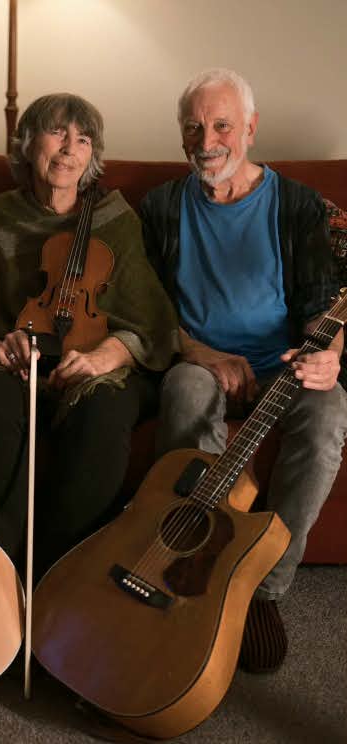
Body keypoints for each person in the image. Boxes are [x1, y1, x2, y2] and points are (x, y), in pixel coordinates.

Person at [139, 68, 347, 672]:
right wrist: (202, 353)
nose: (208, 140)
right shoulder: (159, 209)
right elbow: (143, 307)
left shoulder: (300, 206)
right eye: (194, 127)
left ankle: (262, 590)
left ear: (251, 129)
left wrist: (331, 354)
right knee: (182, 388)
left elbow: (334, 295)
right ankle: (192, 561)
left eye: (222, 124)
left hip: (282, 366)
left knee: (332, 407)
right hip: (199, 363)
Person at [0, 93, 178, 574]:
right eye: (57, 132)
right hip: (15, 364)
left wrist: (104, 357)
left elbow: (150, 324)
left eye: (83, 139)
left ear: (93, 156)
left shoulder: (115, 219)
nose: (69, 147)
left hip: (98, 363)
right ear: (28, 142)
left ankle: (62, 570)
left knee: (104, 408)